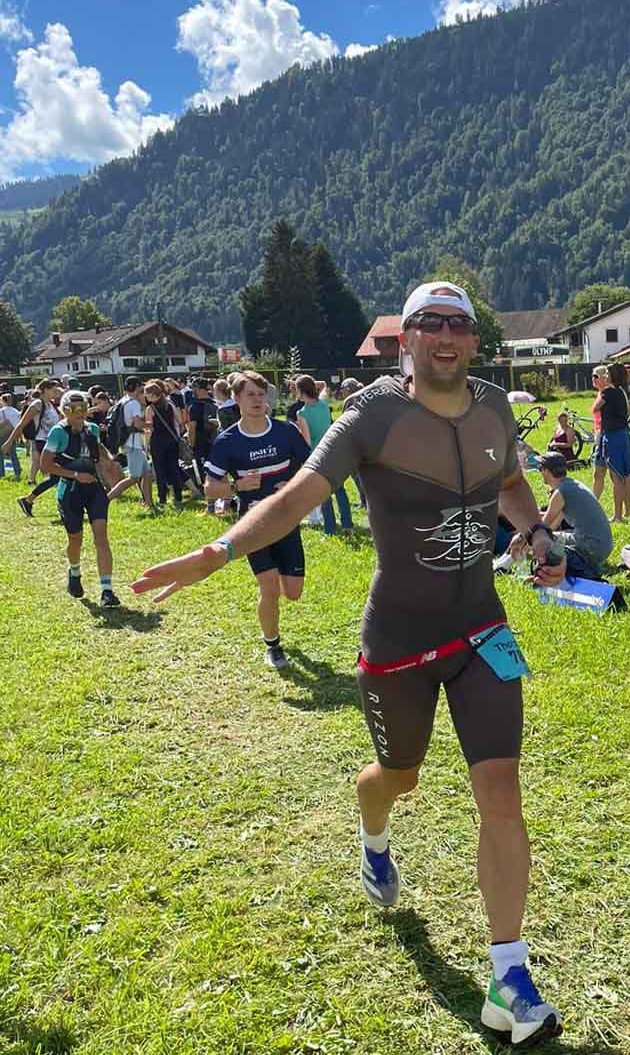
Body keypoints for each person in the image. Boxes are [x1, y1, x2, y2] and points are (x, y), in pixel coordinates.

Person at [132, 282, 566, 1045]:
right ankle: (373, 837)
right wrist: (219, 550)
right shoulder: (372, 415)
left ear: (473, 339)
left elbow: (509, 486)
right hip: (398, 639)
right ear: (406, 340)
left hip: (481, 632)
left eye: (457, 325)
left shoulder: (497, 407)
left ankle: (509, 974)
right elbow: (299, 495)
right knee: (397, 777)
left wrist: (531, 534)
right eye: (426, 323)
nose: (443, 336)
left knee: (501, 787)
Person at [202, 371, 312, 668]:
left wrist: (289, 485)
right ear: (236, 399)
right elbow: (210, 489)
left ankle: (278, 582)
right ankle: (273, 646)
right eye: (250, 395)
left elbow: (311, 467)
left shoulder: (285, 432)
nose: (257, 400)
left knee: (293, 592)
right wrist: (237, 487)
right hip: (253, 524)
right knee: (269, 588)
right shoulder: (227, 442)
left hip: (285, 520)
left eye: (261, 395)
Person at [40, 390, 122, 607]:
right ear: (65, 410)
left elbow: (97, 448)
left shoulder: (92, 428)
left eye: (84, 408)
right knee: (75, 539)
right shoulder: (59, 432)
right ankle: (74, 572)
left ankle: (107, 591)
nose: (81, 413)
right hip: (70, 491)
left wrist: (110, 462)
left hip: (93, 490)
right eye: (76, 409)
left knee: (101, 538)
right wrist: (76, 475)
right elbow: (45, 465)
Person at [508, 451, 612, 579]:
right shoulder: (571, 485)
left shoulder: (561, 492)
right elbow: (552, 524)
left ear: (546, 471)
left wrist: (522, 537)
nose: (540, 473)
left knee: (543, 541)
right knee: (552, 538)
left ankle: (528, 570)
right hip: (603, 546)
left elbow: (542, 527)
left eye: (540, 469)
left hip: (590, 546)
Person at [295, 374, 353, 535]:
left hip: (317, 456)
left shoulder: (302, 414)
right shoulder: (324, 403)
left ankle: (330, 528)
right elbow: (324, 384)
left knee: (323, 494)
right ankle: (348, 525)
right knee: (340, 491)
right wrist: (304, 383)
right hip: (333, 451)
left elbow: (306, 441)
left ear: (300, 392)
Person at [9, 379, 64, 516]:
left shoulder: (51, 405)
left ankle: (28, 500)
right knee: (60, 473)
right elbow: (21, 424)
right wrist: (9, 442)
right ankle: (64, 504)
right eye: (54, 390)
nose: (56, 393)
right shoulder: (38, 404)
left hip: (54, 442)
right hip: (44, 443)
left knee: (56, 476)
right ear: (45, 390)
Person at [595, 362, 630, 522]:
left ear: (611, 375)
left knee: (617, 478)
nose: (605, 377)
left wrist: (602, 390)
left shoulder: (608, 392)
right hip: (623, 434)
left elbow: (595, 407)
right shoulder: (622, 391)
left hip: (612, 437)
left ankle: (618, 516)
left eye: (606, 374)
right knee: (625, 474)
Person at [106, 377, 155, 509]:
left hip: (129, 442)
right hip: (133, 443)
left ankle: (149, 503)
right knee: (133, 477)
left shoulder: (123, 400)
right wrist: (150, 425)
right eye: (140, 387)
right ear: (136, 387)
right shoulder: (134, 403)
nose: (142, 390)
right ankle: (105, 500)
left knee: (147, 473)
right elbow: (138, 424)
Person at [145, 379, 186, 508]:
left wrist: (146, 445)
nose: (145, 396)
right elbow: (179, 420)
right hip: (172, 440)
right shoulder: (169, 403)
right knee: (173, 468)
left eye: (147, 394)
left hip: (157, 441)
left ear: (153, 395)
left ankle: (162, 498)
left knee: (160, 470)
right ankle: (178, 496)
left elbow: (149, 429)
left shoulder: (150, 409)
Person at [187, 378, 219, 493]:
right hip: (215, 440)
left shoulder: (194, 407)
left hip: (200, 442)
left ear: (199, 389)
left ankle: (206, 490)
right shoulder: (216, 403)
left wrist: (191, 444)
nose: (192, 391)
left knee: (202, 469)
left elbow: (192, 428)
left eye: (194, 388)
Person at [590, 365, 610, 503]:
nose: (593, 379)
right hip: (599, 436)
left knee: (618, 475)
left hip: (607, 436)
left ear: (604, 377)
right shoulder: (600, 393)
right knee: (598, 473)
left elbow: (629, 407)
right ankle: (593, 502)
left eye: (596, 376)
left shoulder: (608, 393)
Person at [0, 393, 21, 480]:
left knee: (0, 454)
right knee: (13, 454)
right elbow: (18, 424)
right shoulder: (16, 411)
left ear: (3, 401)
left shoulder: (1, 411)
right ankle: (17, 472)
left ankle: (1, 473)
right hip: (12, 433)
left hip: (2, 434)